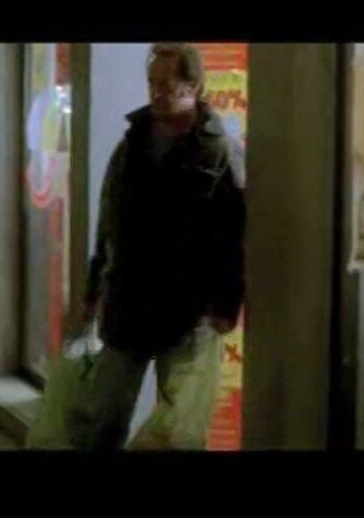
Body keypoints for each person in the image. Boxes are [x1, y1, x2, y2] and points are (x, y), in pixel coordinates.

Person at [81, 43, 246, 450]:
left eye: (166, 85)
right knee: (101, 421)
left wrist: (227, 303)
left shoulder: (218, 151)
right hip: (128, 299)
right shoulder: (133, 144)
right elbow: (108, 222)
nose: (156, 93)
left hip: (190, 308)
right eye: (152, 83)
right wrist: (93, 290)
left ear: (194, 86)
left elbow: (235, 233)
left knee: (178, 430)